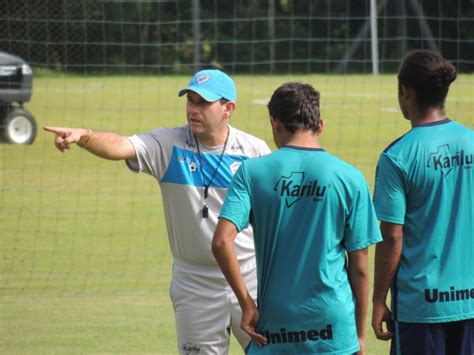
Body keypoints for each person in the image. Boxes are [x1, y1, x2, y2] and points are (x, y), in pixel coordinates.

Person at [44, 69, 271, 354]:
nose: (193, 109)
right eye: (190, 100)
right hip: (194, 285)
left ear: (228, 109)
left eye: (203, 102)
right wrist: (84, 136)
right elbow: (121, 145)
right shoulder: (168, 144)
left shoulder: (254, 151)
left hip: (251, 277)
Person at [212, 82, 382, 354]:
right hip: (334, 329)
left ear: (274, 123)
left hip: (276, 328)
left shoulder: (251, 173)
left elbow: (221, 242)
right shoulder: (350, 178)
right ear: (320, 125)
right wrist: (358, 335)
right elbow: (360, 267)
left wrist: (246, 304)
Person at [371, 49, 474, 354]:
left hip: (422, 307)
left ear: (405, 91)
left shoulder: (397, 157)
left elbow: (391, 237)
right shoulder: (471, 141)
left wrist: (378, 300)